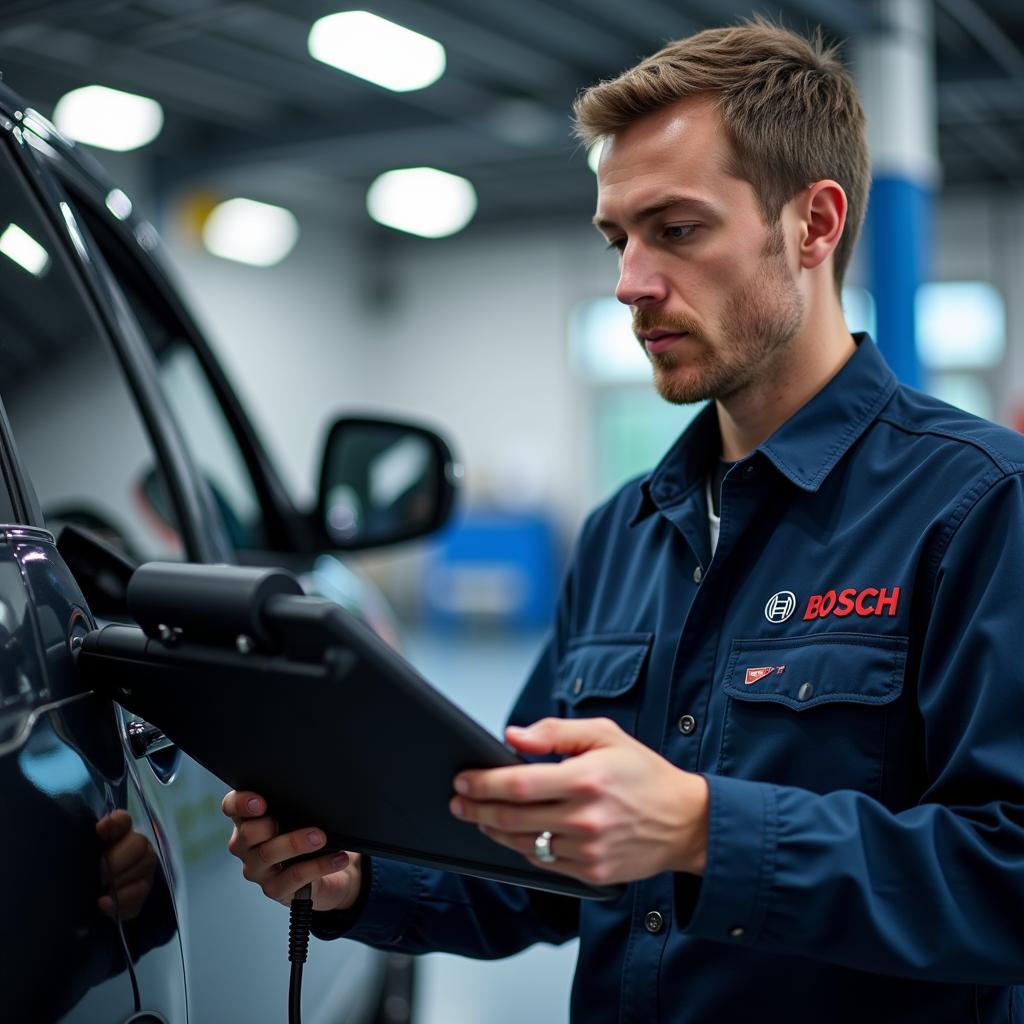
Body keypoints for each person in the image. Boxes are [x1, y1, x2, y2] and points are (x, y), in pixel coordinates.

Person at [222, 20, 1024, 1022]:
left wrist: (704, 829)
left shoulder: (980, 503)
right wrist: (356, 883)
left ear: (814, 225)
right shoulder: (623, 534)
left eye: (676, 229)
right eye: (618, 238)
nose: (629, 283)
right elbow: (534, 850)